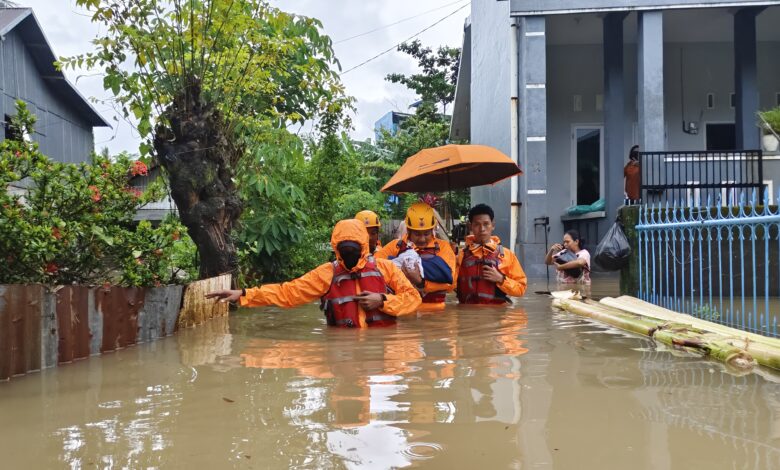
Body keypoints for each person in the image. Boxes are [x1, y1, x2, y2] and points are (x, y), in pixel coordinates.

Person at [205, 219, 422, 328]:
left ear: (364, 246)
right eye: (344, 250)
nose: (349, 255)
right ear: (336, 249)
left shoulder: (386, 268)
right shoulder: (327, 274)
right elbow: (288, 293)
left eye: (353, 249)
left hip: (381, 348)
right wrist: (244, 294)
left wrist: (382, 300)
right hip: (341, 352)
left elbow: (413, 298)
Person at [375, 201, 456, 311]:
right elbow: (374, 268)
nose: (422, 239)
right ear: (408, 231)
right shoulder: (395, 246)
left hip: (437, 312)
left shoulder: (444, 247)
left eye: (426, 234)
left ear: (433, 229)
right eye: (417, 234)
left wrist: (421, 282)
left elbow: (451, 284)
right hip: (405, 310)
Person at [456, 204, 527, 304]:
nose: (482, 229)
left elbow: (521, 289)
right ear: (470, 226)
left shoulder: (507, 255)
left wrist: (501, 279)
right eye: (477, 224)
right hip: (467, 316)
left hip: (496, 317)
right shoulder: (460, 255)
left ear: (493, 225)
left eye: (486, 224)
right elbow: (449, 286)